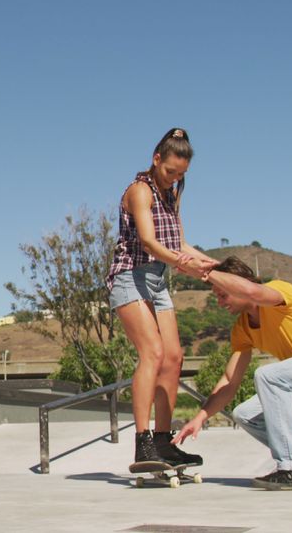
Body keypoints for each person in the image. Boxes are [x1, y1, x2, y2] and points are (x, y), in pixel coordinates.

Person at [172, 257, 292, 490]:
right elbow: (229, 380)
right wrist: (199, 418)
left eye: (222, 293)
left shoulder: (279, 292)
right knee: (245, 413)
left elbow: (254, 292)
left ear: (239, 285)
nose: (219, 302)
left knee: (269, 375)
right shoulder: (242, 328)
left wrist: (204, 273)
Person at [106, 127, 217, 467]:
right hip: (129, 276)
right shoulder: (140, 191)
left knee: (174, 358)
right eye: (170, 172)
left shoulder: (172, 194)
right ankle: (142, 443)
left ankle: (163, 441)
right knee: (152, 353)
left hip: (157, 279)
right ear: (156, 159)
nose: (174, 179)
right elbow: (150, 243)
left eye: (181, 174)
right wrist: (185, 265)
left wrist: (211, 264)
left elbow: (179, 244)